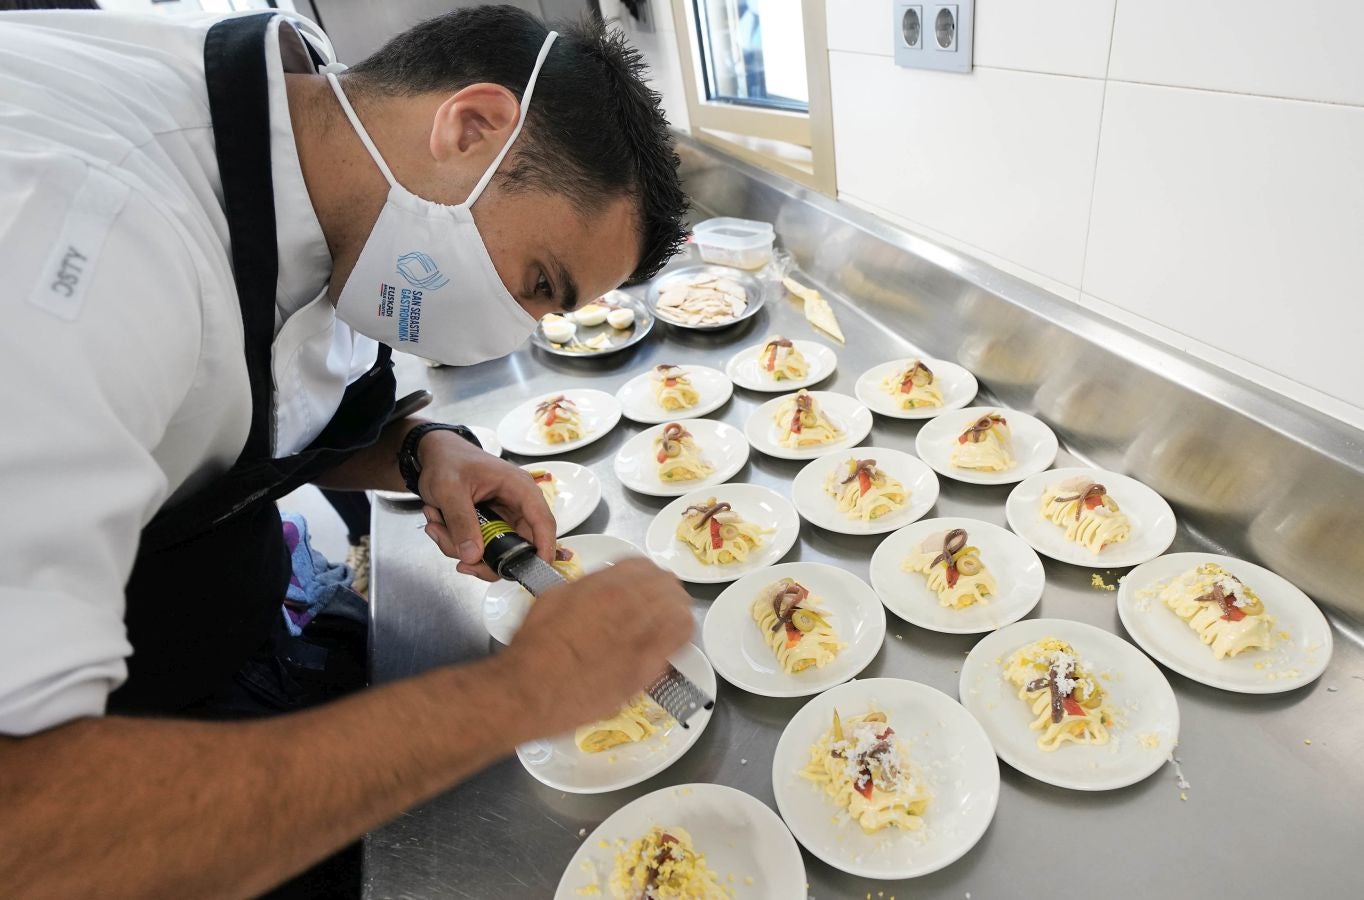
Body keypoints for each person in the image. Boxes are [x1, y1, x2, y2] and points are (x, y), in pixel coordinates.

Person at [0, 5, 693, 897]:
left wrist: (419, 449)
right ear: (471, 126)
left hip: (231, 639)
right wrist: (525, 692)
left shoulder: (329, 142)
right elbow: (33, 831)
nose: (517, 331)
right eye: (537, 283)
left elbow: (252, 406)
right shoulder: (81, 246)